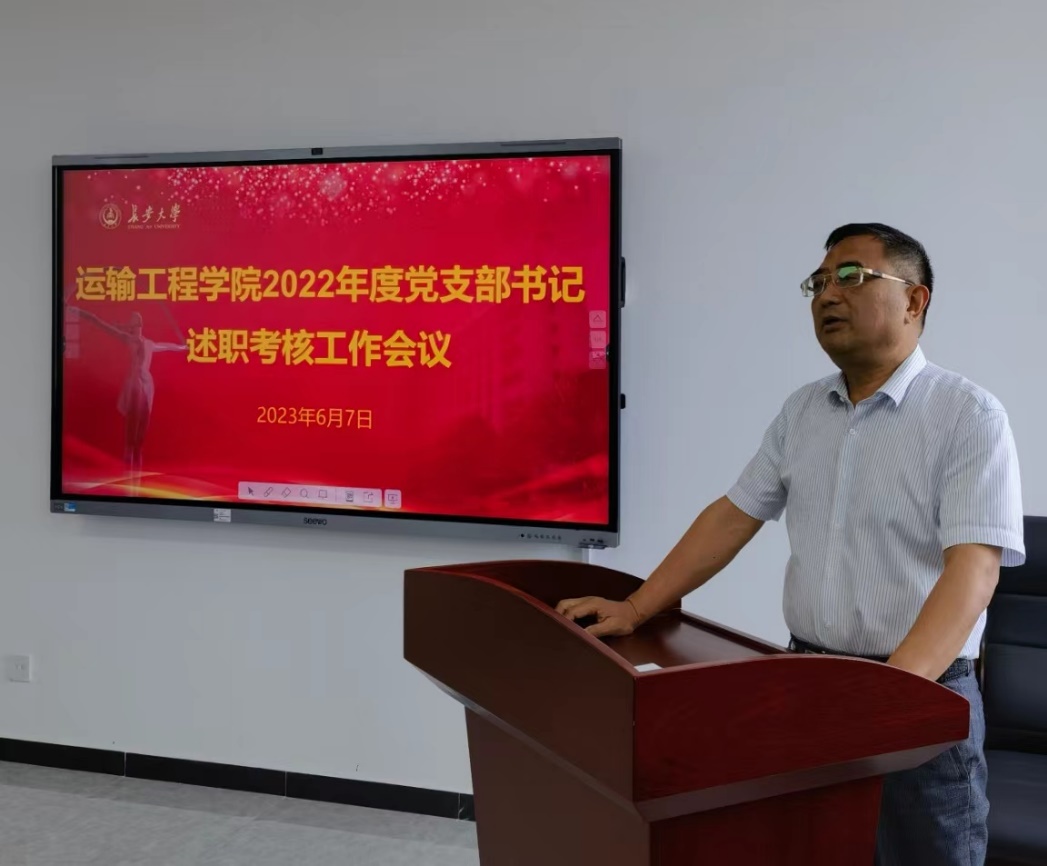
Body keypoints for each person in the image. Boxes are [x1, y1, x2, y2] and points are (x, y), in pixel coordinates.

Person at [557, 223, 1024, 866]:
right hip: (811, 685)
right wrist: (636, 607)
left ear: (914, 301)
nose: (828, 294)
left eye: (852, 276)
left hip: (922, 699)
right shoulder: (804, 411)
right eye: (819, 282)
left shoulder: (968, 415)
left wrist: (893, 697)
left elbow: (973, 570)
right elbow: (733, 516)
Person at [71, 307, 188, 487]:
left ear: (139, 325)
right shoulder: (127, 339)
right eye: (133, 323)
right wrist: (79, 312)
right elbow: (100, 323)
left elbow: (168, 346)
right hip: (134, 385)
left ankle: (136, 481)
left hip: (146, 387)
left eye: (136, 323)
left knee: (139, 439)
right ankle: (128, 480)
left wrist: (183, 347)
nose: (135, 326)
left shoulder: (149, 344)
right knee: (130, 436)